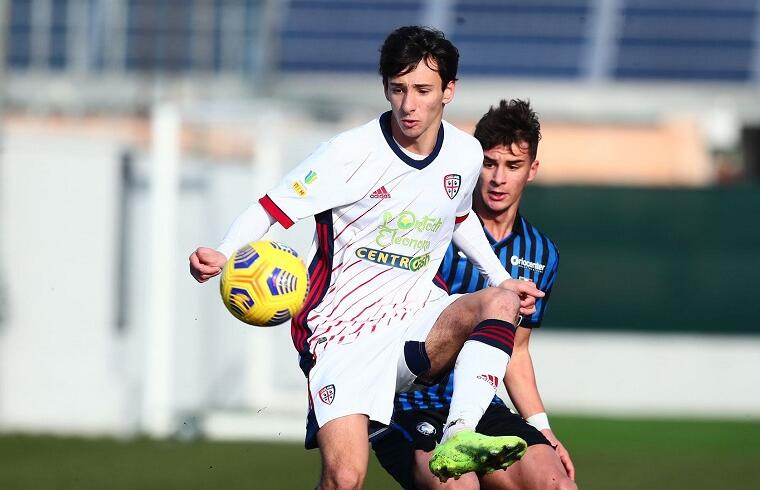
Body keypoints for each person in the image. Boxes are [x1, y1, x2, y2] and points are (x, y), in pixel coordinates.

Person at [189, 27, 544, 489]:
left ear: (449, 91)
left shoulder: (465, 153)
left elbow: (458, 220)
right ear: (385, 89)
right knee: (345, 479)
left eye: (422, 90)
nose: (409, 105)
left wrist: (500, 277)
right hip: (342, 335)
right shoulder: (347, 153)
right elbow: (271, 207)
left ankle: (459, 434)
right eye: (398, 90)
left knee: (499, 301)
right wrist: (224, 249)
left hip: (415, 320)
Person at [371, 100, 577, 489]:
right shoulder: (431, 229)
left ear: (532, 170)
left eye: (512, 166)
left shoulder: (541, 254)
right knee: (459, 485)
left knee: (556, 483)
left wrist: (542, 428)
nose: (498, 178)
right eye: (489, 163)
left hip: (482, 407)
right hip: (411, 404)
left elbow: (515, 350)